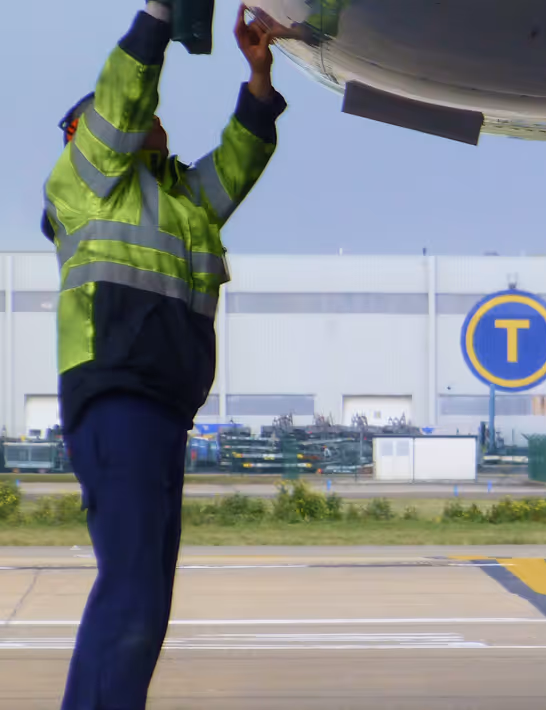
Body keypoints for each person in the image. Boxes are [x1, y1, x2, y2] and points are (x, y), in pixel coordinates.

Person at [42, 2, 287, 708]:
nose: (153, 112)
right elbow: (125, 94)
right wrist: (158, 15)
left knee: (146, 592)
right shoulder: (83, 182)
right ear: (83, 132)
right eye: (133, 112)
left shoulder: (183, 198)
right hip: (116, 394)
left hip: (161, 407)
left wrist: (259, 79)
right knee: (132, 587)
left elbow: (242, 157)